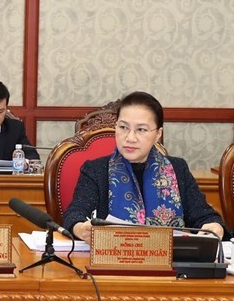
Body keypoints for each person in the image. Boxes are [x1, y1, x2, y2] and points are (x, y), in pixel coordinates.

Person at [64, 91, 227, 244]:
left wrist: (213, 227)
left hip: (170, 267)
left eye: (141, 129)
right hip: (111, 262)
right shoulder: (95, 169)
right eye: (123, 127)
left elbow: (205, 216)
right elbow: (75, 214)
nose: (130, 138)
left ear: (158, 134)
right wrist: (80, 228)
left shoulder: (177, 169)